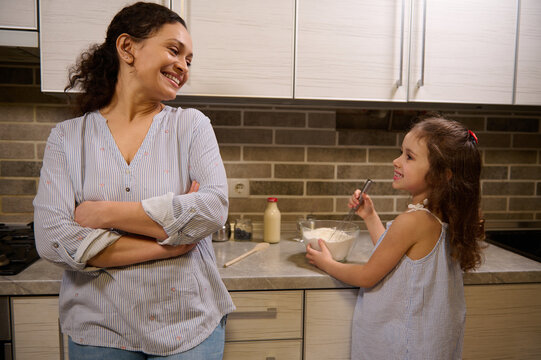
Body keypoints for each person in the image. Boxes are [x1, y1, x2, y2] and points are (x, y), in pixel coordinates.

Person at [33, 2, 235, 359]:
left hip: (189, 328)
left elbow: (212, 209)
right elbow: (52, 238)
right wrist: (170, 244)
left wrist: (103, 214)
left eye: (189, 60)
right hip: (99, 330)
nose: (183, 67)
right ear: (127, 47)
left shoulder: (191, 126)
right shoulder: (67, 138)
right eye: (175, 50)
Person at [306, 115, 484, 359]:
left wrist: (328, 264)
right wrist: (370, 216)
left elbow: (368, 276)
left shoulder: (414, 221)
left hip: (403, 347)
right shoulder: (442, 215)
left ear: (443, 174)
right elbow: (396, 260)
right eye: (401, 153)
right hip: (428, 346)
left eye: (409, 156)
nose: (396, 161)